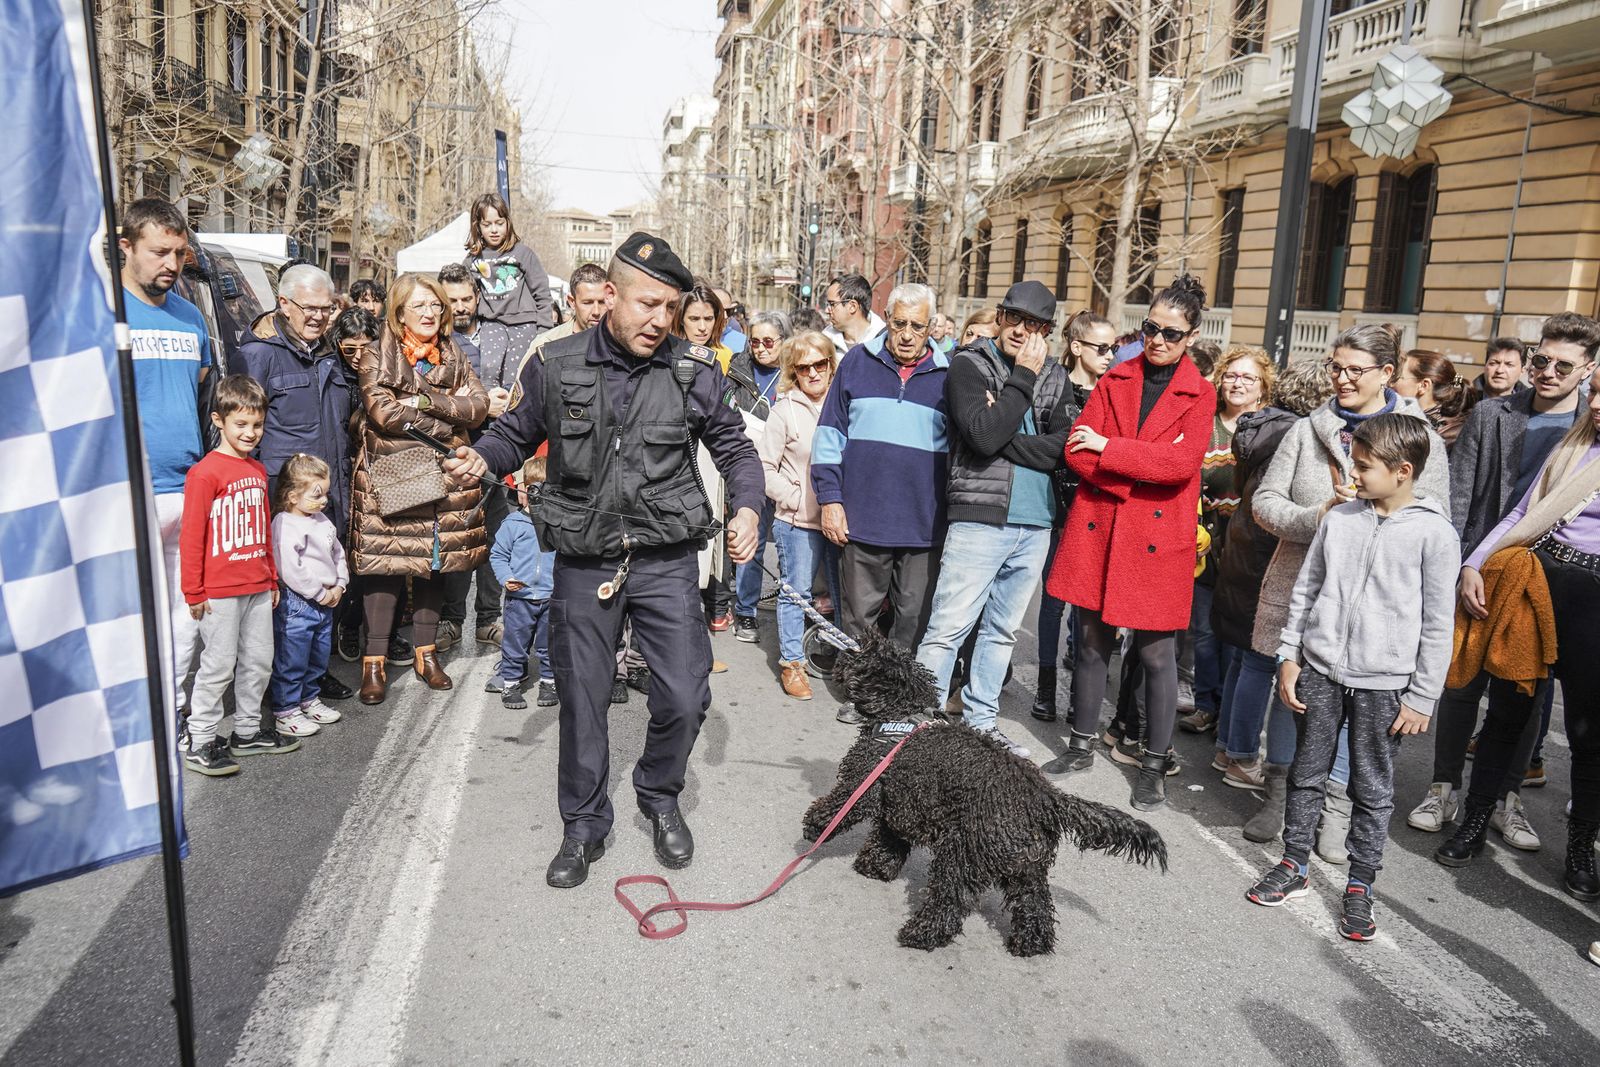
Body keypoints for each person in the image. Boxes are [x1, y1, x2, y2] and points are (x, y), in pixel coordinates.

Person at [441, 232, 764, 889]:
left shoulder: (695, 369)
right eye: (648, 303)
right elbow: (513, 431)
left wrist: (749, 507)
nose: (659, 320)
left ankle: (658, 788)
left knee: (684, 691)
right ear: (609, 296)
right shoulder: (556, 363)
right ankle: (583, 826)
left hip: (666, 557)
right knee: (584, 701)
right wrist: (482, 459)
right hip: (586, 562)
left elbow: (734, 446)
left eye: (670, 308)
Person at [1247, 414, 1458, 941]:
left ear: (1403, 471)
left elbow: (1438, 623)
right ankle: (1294, 863)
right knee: (1306, 771)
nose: (1353, 475)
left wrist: (1422, 695)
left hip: (1386, 685)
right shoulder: (1339, 519)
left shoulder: (1435, 534)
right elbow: (1307, 588)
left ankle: (1360, 883)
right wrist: (1290, 655)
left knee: (1371, 786)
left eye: (1363, 467)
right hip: (1319, 668)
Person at [1247, 324, 1449, 852]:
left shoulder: (1416, 435)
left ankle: (1335, 804)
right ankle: (1281, 791)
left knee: (1358, 714)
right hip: (1307, 586)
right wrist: (1324, 516)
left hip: (1383, 609)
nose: (1341, 378)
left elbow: (1434, 521)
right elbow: (1265, 503)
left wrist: (1369, 525)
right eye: (1336, 366)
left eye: (1355, 369)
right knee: (1295, 695)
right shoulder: (1307, 429)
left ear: (1387, 373)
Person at [1408, 312, 1599, 841]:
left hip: (1543, 574)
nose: (1548, 371)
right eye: (1541, 359)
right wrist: (1460, 566)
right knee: (1462, 681)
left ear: (1587, 370)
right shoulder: (1494, 413)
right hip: (1482, 563)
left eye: (1564, 364)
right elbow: (1461, 495)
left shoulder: (1586, 426)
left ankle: (1504, 797)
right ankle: (1443, 786)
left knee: (1526, 691)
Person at [1038, 275, 1216, 812]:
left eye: (1172, 333)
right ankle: (1081, 744)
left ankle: (1154, 765)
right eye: (1151, 328)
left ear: (1192, 336)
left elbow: (1181, 467)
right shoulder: (1118, 376)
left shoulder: (1200, 393)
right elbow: (1076, 451)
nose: (1159, 340)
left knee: (1157, 654)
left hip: (1157, 538)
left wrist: (1111, 449)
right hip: (1102, 529)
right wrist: (1138, 468)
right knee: (1091, 642)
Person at [914, 281, 1071, 757]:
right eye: (1016, 319)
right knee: (948, 627)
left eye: (1037, 325)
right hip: (980, 516)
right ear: (1001, 317)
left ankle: (982, 721)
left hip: (1035, 522)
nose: (1024, 331)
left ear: (1049, 330)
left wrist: (1001, 434)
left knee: (1000, 631)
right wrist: (1022, 378)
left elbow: (1061, 448)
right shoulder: (969, 364)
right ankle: (921, 723)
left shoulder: (1058, 375)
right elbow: (981, 438)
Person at [1201, 360, 1334, 841]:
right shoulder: (1294, 437)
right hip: (1268, 559)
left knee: (1246, 660)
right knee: (1261, 664)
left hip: (1245, 551)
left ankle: (1230, 747)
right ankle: (1239, 755)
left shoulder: (1261, 429)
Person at [813, 283, 951, 724]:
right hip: (862, 517)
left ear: (932, 327)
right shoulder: (856, 362)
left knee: (912, 617)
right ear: (886, 320)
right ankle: (863, 696)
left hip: (924, 524)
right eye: (899, 323)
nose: (907, 334)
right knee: (859, 616)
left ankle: (898, 699)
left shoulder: (952, 375)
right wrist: (830, 499)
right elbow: (828, 436)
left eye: (917, 325)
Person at [349, 274, 489, 704]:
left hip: (445, 471)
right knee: (387, 566)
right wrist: (450, 419)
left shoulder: (455, 353)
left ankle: (425, 656)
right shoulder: (376, 353)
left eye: (435, 306)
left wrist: (424, 403)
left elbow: (479, 406)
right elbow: (384, 412)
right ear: (399, 312)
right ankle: (373, 663)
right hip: (398, 467)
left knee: (434, 563)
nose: (430, 313)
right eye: (420, 306)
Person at [233, 263, 356, 702]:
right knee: (288, 602)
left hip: (328, 493)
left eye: (328, 308)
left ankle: (311, 676)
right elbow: (238, 428)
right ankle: (276, 687)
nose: (320, 316)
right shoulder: (258, 354)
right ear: (283, 304)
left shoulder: (330, 351)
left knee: (325, 588)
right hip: (282, 500)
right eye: (310, 308)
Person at [120, 198, 212, 725]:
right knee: (131, 612)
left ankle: (170, 715)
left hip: (188, 488)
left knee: (186, 614)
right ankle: (130, 718)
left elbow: (203, 396)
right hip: (128, 492)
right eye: (160, 252)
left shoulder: (190, 314)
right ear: (127, 247)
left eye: (179, 253)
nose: (172, 265)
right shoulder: (101, 313)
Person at [180, 375, 299, 775]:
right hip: (219, 590)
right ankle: (201, 739)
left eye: (257, 425)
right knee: (217, 666)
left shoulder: (255, 470)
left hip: (257, 586)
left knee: (259, 660)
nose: (250, 433)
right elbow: (192, 537)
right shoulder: (205, 473)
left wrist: (270, 579)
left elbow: (263, 530)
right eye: (241, 424)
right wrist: (193, 591)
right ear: (219, 420)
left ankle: (247, 732)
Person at [1179, 346, 1273, 745]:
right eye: (1232, 376)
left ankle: (1230, 713)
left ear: (1262, 389)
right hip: (1202, 541)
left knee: (1237, 636)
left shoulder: (1269, 429)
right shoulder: (1205, 422)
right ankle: (1206, 705)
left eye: (1247, 378)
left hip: (1247, 549)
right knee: (1202, 632)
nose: (1237, 383)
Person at [1032, 310, 1115, 722]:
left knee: (1087, 608)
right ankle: (1046, 687)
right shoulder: (1054, 385)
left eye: (1114, 347)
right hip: (1055, 506)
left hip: (1097, 509)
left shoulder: (1114, 392)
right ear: (1077, 346)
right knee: (1051, 603)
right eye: (1102, 347)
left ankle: (1080, 698)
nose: (1110, 355)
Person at [759, 332, 842, 699]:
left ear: (830, 363)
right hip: (799, 524)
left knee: (842, 595)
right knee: (796, 593)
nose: (812, 373)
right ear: (794, 371)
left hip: (842, 521)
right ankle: (792, 663)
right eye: (803, 367)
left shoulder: (845, 403)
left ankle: (843, 660)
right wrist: (793, 498)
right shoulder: (785, 410)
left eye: (819, 364)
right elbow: (763, 467)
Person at [435, 262, 509, 655]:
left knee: (495, 540)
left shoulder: (499, 336)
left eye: (466, 299)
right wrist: (480, 407)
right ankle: (452, 619)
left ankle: (487, 619)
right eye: (452, 301)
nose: (460, 307)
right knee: (460, 541)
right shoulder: (438, 343)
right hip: (457, 456)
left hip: (498, 455)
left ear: (477, 297)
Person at [267, 453, 348, 737]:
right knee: (292, 657)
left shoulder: (321, 520)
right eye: (317, 494)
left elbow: (337, 553)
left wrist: (340, 584)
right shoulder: (285, 524)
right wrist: (318, 593)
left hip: (325, 600)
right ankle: (285, 710)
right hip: (299, 604)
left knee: (318, 655)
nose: (324, 500)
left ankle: (308, 698)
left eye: (326, 493)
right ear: (291, 496)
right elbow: (290, 568)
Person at [673, 283, 738, 630]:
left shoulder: (721, 360)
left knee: (708, 546)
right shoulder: (667, 355)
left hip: (711, 464)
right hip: (674, 464)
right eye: (694, 318)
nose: (701, 326)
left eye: (708, 318)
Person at [729, 309, 790, 642]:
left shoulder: (795, 370)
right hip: (748, 464)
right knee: (752, 541)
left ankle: (790, 607)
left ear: (783, 340)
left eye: (769, 341)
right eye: (755, 341)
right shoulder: (736, 370)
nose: (762, 348)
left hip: (786, 469)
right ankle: (746, 611)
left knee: (787, 545)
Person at [486, 457, 557, 710]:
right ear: (523, 490)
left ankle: (549, 682)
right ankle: (511, 683)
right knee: (514, 642)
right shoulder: (512, 524)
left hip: (551, 597)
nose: (539, 495)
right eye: (534, 489)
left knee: (549, 644)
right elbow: (498, 556)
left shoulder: (558, 526)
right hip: (520, 598)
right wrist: (507, 578)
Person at [462, 192, 554, 361]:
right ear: (478, 227)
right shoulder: (472, 260)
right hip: (491, 324)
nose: (494, 229)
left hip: (524, 324)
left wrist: (544, 330)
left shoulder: (522, 253)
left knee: (516, 374)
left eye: (499, 223)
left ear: (508, 223)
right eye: (487, 224)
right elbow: (462, 293)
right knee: (489, 369)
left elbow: (542, 293)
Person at [1395, 348, 1473, 446]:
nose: (1390, 383)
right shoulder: (1408, 419)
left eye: (1397, 377)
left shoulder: (1445, 435)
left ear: (1423, 386)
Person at [822, 273, 886, 356]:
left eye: (832, 304)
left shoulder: (884, 341)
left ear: (852, 306)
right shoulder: (825, 340)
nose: (827, 310)